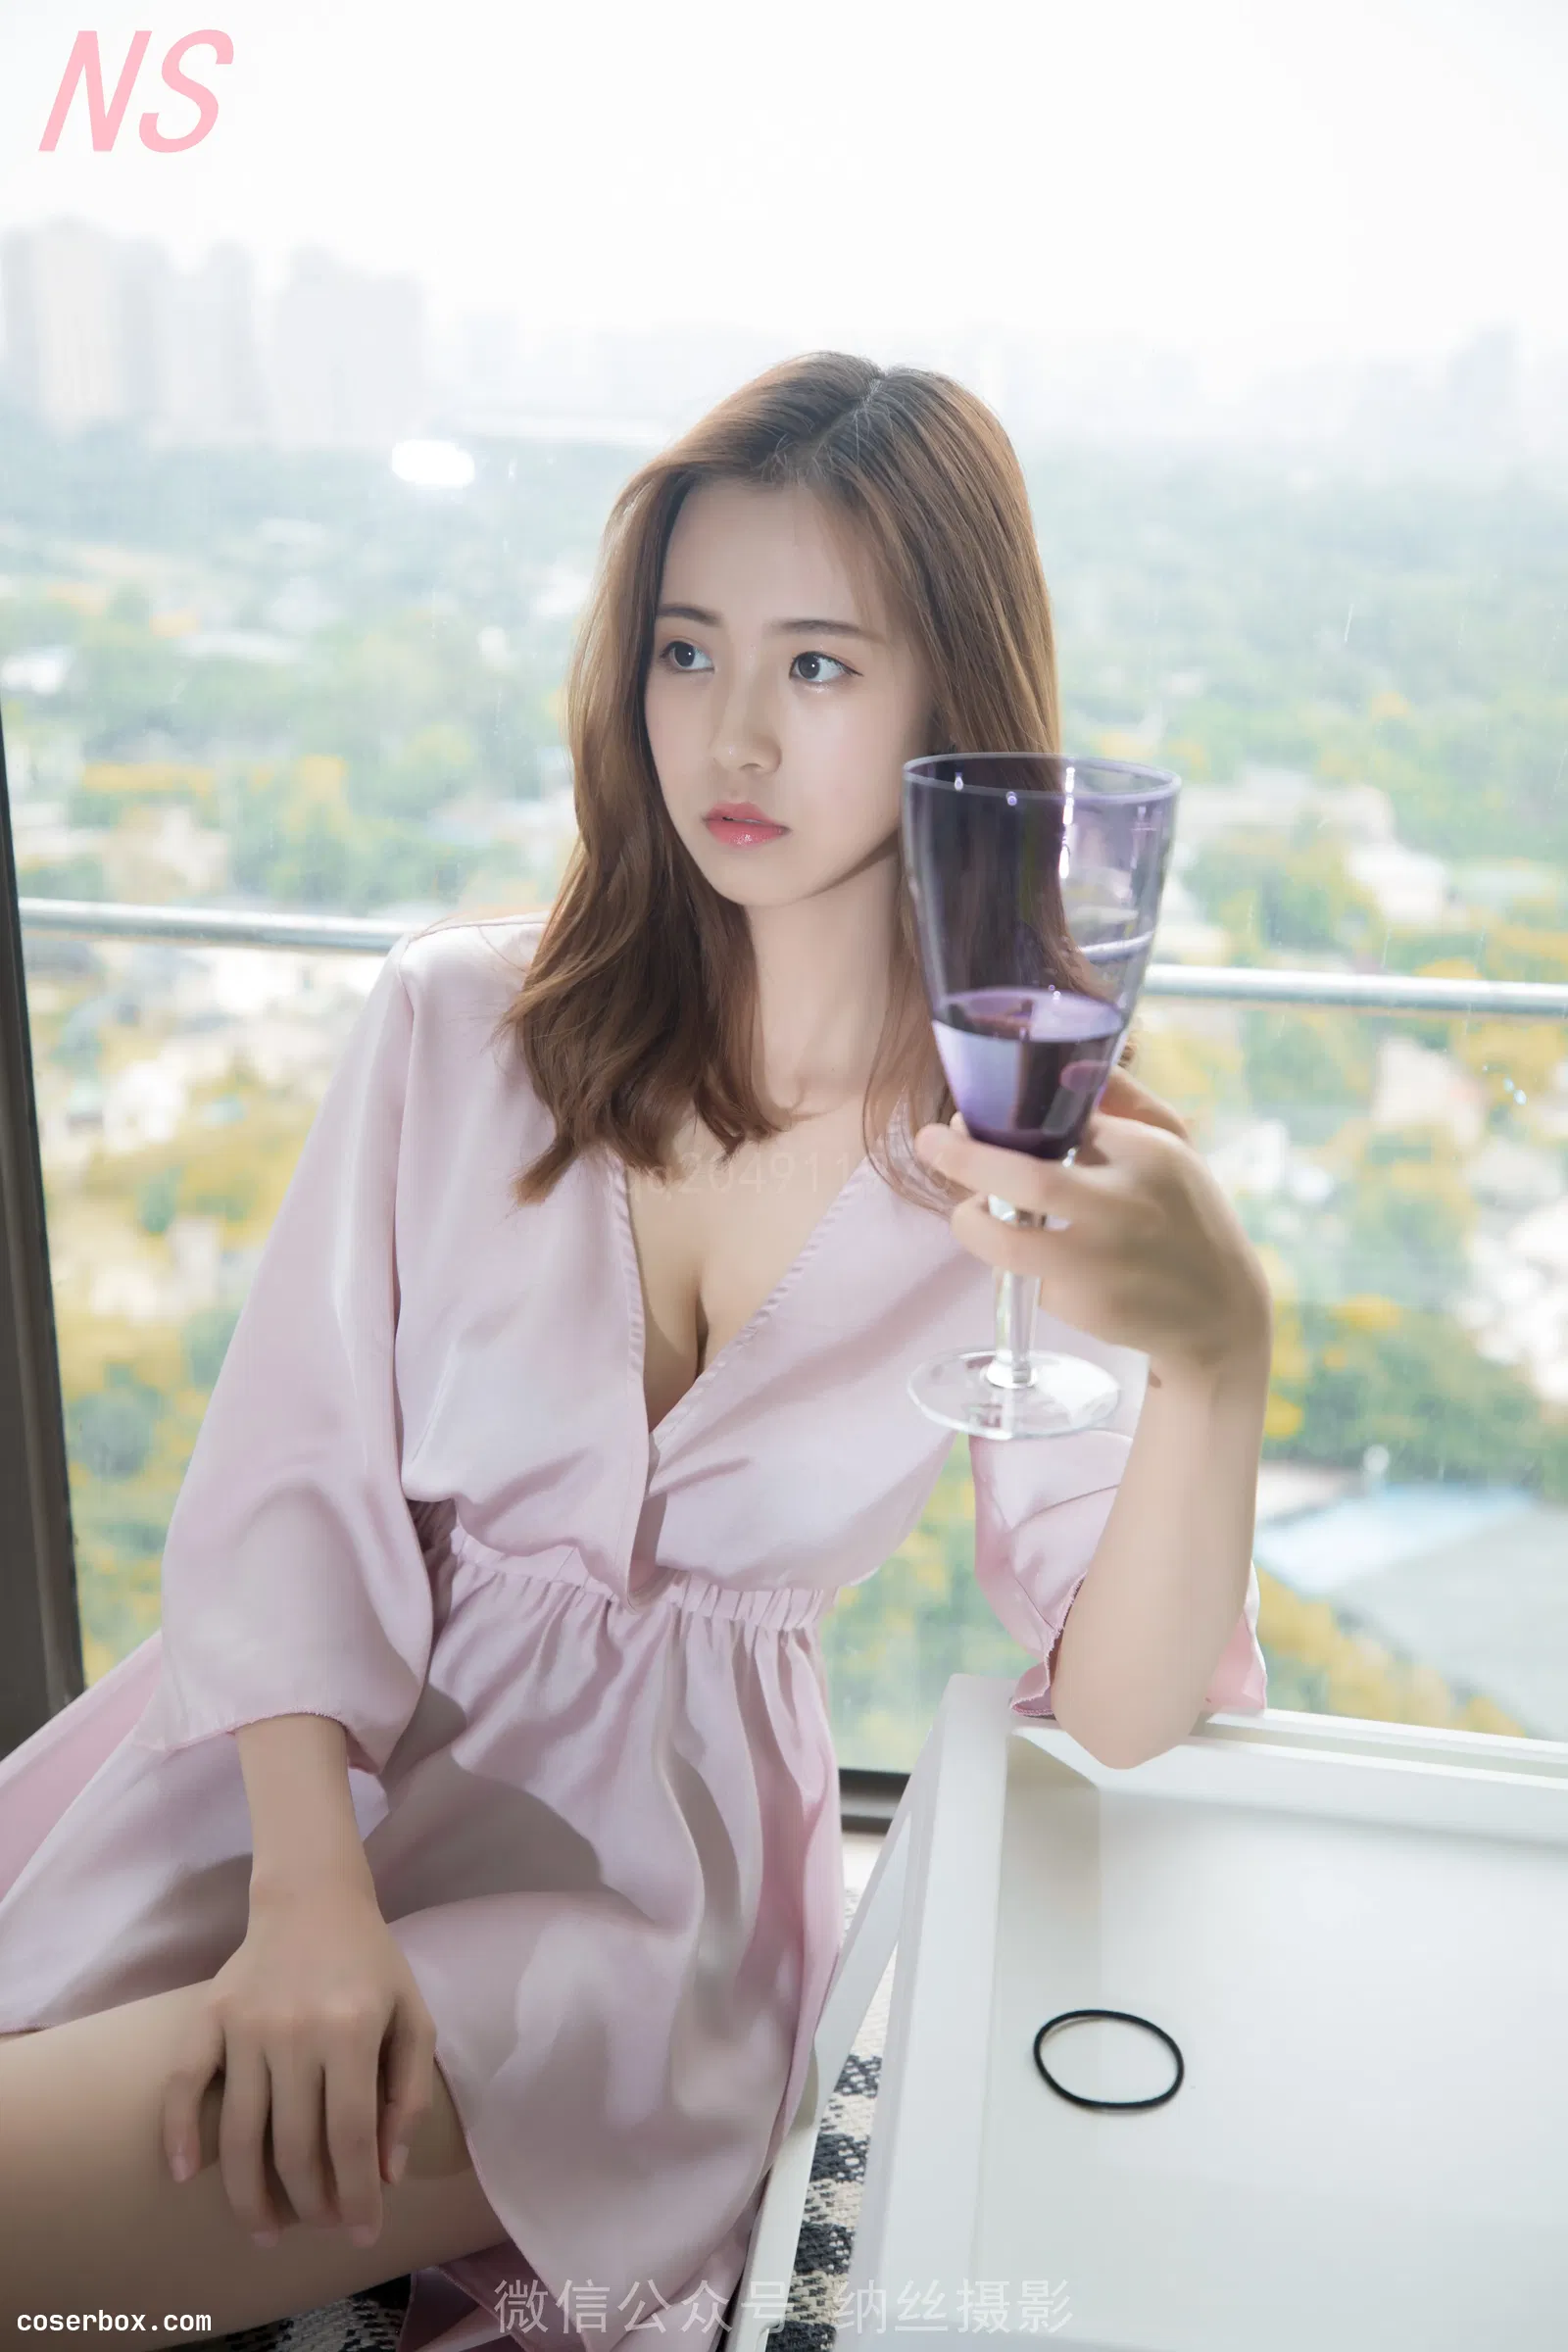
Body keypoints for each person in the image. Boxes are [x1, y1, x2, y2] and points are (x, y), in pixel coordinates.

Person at [0, 353, 1270, 2348]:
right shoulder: (458, 1028)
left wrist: (1223, 1362)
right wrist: (308, 1901)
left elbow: (1116, 1708)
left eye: (819, 665)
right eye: (687, 651)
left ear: (953, 701)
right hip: (284, 1805)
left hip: (627, 1933)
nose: (731, 732)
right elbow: (291, 1490)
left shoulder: (1023, 1160)